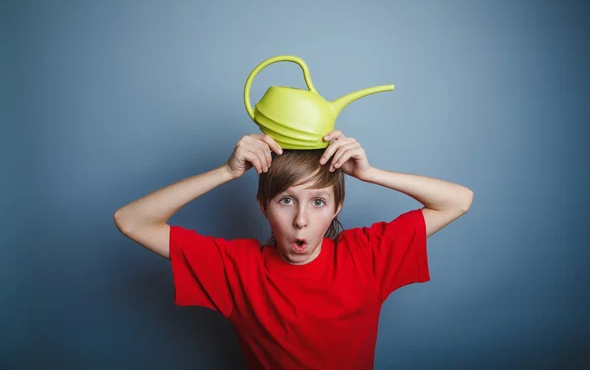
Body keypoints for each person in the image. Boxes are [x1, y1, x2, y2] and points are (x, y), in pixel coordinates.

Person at [113, 130, 474, 370]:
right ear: (263, 206)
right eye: (286, 200)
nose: (301, 220)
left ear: (337, 208)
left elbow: (458, 201)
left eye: (318, 202)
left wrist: (371, 173)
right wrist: (226, 171)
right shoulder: (237, 269)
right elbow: (131, 221)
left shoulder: (368, 255)